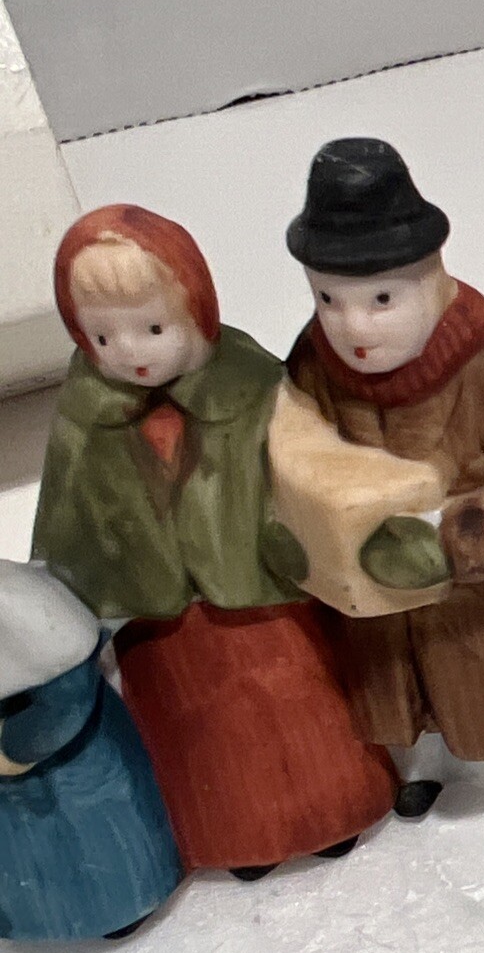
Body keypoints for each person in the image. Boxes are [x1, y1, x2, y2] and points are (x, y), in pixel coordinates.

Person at [31, 204, 396, 876]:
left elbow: (311, 469)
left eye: (153, 328)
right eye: (105, 337)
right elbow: (66, 522)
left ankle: (335, 813)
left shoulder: (252, 385)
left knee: (301, 707)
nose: (133, 352)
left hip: (267, 599)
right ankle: (239, 841)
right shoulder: (85, 418)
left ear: (197, 309)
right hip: (164, 628)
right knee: (203, 736)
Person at [281, 137, 484, 820]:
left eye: (381, 299)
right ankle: (424, 763)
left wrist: (438, 535)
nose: (353, 326)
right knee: (403, 696)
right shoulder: (312, 362)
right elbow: (296, 454)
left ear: (430, 274)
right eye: (328, 298)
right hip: (379, 610)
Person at [0, 559, 182, 941]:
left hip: (70, 774)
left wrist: (15, 750)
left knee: (96, 850)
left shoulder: (17, 602)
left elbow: (66, 696)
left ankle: (120, 904)